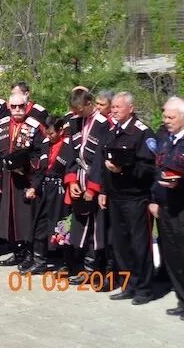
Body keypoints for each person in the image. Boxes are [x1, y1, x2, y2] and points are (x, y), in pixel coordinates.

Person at [101, 92, 156, 304]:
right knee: (120, 243)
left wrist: (124, 169)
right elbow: (103, 164)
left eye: (118, 107)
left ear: (131, 108)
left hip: (135, 197)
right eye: (112, 107)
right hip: (115, 196)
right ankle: (128, 284)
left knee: (139, 244)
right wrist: (104, 191)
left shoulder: (142, 133)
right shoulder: (111, 131)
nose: (114, 111)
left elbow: (148, 168)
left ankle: (144, 288)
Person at [63, 88, 110, 284]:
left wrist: (93, 187)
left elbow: (100, 158)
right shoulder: (75, 121)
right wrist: (71, 179)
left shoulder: (103, 124)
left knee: (96, 227)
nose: (77, 113)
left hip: (95, 179)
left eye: (80, 109)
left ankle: (94, 269)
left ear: (89, 104)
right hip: (79, 177)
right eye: (74, 110)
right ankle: (81, 266)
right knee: (81, 226)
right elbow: (71, 153)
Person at [0, 92, 44, 268]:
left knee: (26, 219)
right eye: (13, 106)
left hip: (26, 178)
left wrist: (27, 167)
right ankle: (16, 252)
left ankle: (29, 254)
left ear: (27, 105)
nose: (17, 110)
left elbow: (41, 153)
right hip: (7, 178)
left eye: (20, 106)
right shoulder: (1, 124)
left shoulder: (35, 126)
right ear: (8, 106)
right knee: (9, 218)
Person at [149, 97, 184, 320]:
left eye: (171, 117)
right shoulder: (166, 139)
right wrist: (154, 199)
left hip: (182, 205)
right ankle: (182, 298)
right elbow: (158, 170)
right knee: (172, 254)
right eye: (164, 116)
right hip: (165, 205)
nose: (166, 120)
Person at [20, 116, 70, 274]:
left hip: (60, 189)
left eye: (52, 133)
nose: (48, 137)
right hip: (44, 187)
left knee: (62, 226)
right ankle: (39, 261)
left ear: (60, 131)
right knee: (40, 224)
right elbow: (41, 170)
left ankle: (65, 263)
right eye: (46, 133)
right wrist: (34, 187)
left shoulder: (69, 145)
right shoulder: (45, 144)